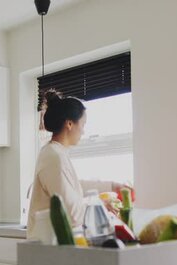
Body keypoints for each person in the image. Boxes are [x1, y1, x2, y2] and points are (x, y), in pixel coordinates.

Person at [27, 89, 130, 238]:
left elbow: (75, 185)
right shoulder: (53, 157)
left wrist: (112, 186)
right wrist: (99, 206)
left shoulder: (56, 153)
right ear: (69, 124)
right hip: (48, 246)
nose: (83, 131)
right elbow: (71, 213)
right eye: (83, 124)